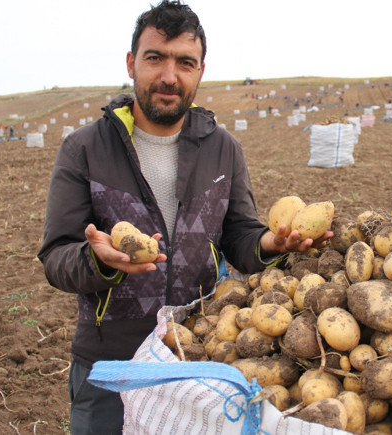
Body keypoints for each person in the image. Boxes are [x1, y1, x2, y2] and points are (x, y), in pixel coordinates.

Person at [36, 2, 331, 433]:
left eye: (185, 62)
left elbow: (239, 234)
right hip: (113, 363)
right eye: (155, 58)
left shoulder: (222, 148)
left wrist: (268, 244)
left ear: (201, 71)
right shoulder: (84, 149)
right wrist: (99, 261)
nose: (169, 76)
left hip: (201, 358)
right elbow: (56, 256)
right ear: (131, 63)